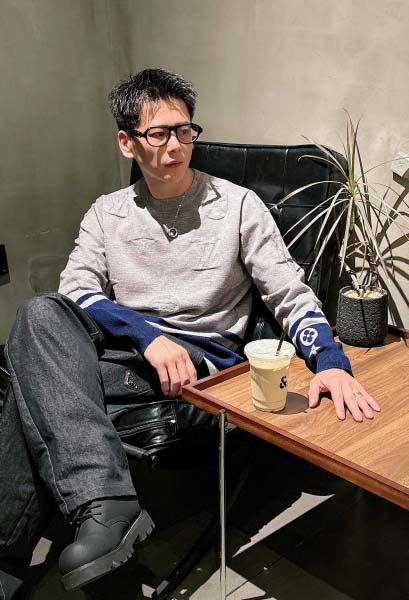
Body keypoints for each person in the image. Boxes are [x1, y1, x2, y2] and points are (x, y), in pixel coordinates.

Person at [0, 68, 380, 599]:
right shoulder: (107, 213)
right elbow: (76, 291)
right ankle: (105, 501)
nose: (176, 145)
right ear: (127, 142)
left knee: (30, 377)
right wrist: (146, 336)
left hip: (202, 359)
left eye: (184, 131)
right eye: (159, 134)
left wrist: (332, 364)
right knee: (39, 314)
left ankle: (18, 549)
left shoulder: (238, 206)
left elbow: (289, 294)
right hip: (130, 352)